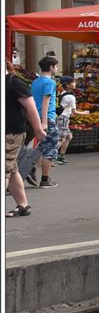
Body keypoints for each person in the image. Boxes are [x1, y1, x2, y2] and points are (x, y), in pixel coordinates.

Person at [6, 61, 48, 216]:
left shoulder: (14, 82)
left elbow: (31, 107)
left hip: (12, 133)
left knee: (4, 168)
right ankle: (23, 205)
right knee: (11, 168)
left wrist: (39, 129)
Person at [28, 56, 59, 188]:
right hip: (47, 118)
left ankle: (30, 167)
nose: (56, 68)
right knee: (50, 149)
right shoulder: (50, 82)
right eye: (56, 66)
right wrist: (45, 122)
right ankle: (45, 179)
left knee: (40, 147)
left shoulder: (35, 82)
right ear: (51, 67)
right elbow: (46, 101)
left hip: (34, 116)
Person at [56, 78, 77, 164]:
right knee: (61, 138)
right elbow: (74, 111)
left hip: (61, 117)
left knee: (69, 137)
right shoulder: (71, 96)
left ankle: (61, 156)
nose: (75, 83)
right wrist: (85, 113)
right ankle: (51, 157)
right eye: (73, 82)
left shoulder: (62, 93)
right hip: (63, 118)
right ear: (68, 85)